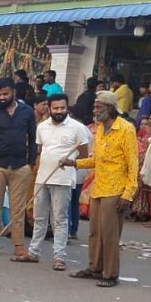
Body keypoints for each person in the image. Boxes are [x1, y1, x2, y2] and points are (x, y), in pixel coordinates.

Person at [61, 90, 136, 286]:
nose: (94, 110)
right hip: (99, 187)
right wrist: (74, 163)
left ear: (110, 108)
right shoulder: (101, 128)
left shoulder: (126, 129)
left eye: (98, 107)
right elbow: (96, 159)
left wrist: (128, 194)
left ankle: (110, 274)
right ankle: (95, 267)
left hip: (116, 189)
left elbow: (133, 165)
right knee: (95, 232)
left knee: (109, 234)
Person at [29, 93, 91, 269]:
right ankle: (34, 252)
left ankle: (59, 257)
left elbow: (84, 155)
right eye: (55, 108)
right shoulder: (42, 127)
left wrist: (70, 161)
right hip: (42, 178)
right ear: (49, 108)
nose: (59, 111)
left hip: (63, 180)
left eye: (62, 108)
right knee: (39, 217)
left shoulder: (77, 128)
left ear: (67, 108)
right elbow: (40, 150)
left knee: (60, 219)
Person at [0, 77, 37, 261]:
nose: (2, 97)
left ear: (14, 92)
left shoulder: (27, 112)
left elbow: (33, 138)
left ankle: (19, 246)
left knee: (17, 209)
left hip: (20, 167)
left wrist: (31, 163)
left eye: (5, 94)